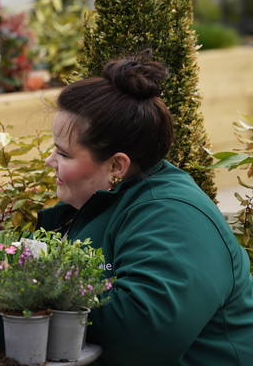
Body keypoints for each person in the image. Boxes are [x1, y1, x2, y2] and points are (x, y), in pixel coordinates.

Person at [36, 50, 253, 365]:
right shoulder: (96, 199)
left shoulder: (175, 217)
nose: (49, 160)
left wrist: (35, 282)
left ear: (116, 166)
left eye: (64, 154)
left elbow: (140, 335)